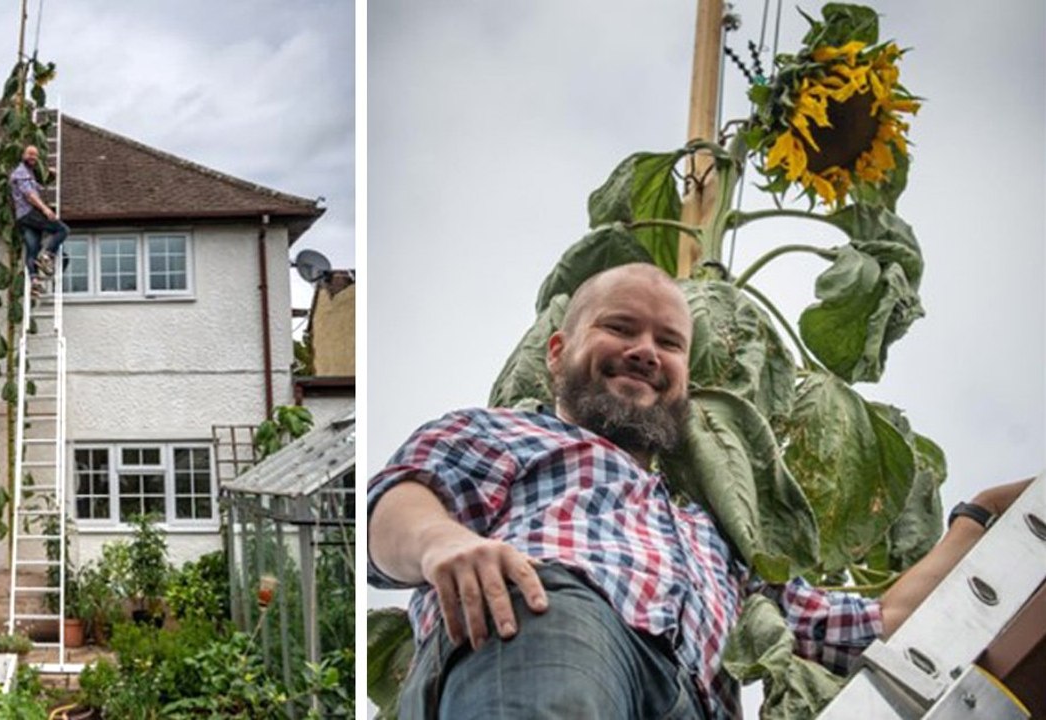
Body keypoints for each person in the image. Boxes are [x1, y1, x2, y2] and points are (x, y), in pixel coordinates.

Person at [368, 262, 1031, 719]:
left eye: (669, 342)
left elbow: (878, 624)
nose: (645, 351)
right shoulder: (508, 433)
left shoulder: (718, 533)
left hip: (693, 698)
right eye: (619, 328)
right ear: (556, 351)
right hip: (550, 625)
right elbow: (400, 502)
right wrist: (441, 545)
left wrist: (979, 512)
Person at [9, 145, 69, 296]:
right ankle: (47, 255)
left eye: (35, 155)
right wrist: (45, 209)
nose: (33, 157)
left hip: (22, 218)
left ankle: (34, 282)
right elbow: (30, 195)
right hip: (29, 213)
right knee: (62, 230)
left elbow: (39, 185)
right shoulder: (21, 173)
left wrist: (52, 176)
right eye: (30, 154)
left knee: (33, 249)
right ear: (23, 155)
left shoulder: (29, 172)